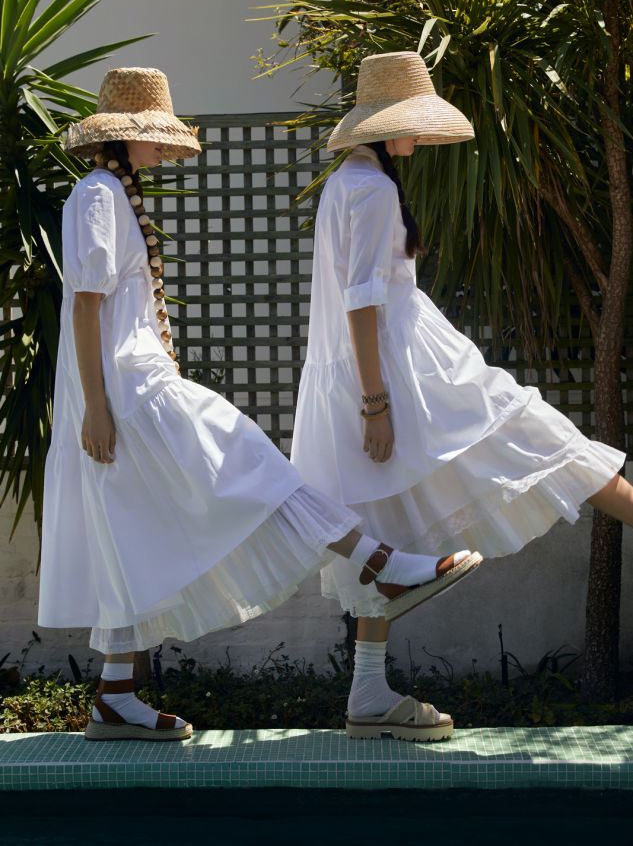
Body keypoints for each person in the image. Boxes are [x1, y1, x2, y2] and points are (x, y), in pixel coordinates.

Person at [38, 66, 481, 743]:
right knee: (248, 457)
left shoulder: (114, 195)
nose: (164, 146)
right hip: (129, 389)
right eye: (155, 134)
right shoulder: (97, 195)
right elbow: (85, 305)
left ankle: (114, 697)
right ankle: (382, 564)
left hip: (135, 381)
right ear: (123, 137)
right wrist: (93, 407)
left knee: (131, 529)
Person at [291, 50, 633, 742]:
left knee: (384, 525)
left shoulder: (348, 183)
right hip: (406, 372)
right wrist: (376, 403)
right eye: (411, 121)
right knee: (548, 440)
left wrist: (367, 395)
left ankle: (368, 694)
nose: (419, 136)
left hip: (380, 369)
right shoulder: (370, 189)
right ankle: (368, 695)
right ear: (386, 124)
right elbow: (361, 301)